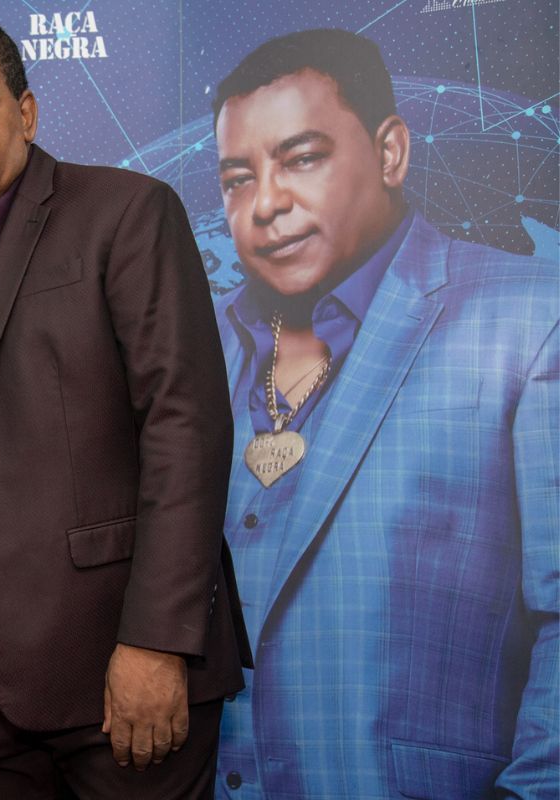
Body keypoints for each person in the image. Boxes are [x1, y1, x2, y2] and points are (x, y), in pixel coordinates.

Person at [0, 15, 251, 799]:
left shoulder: (125, 213)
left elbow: (185, 428)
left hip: (116, 672)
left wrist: (156, 644)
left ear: (25, 113)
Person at [211, 29, 558, 798]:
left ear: (391, 153)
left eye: (302, 158)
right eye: (238, 179)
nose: (265, 204)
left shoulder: (532, 317)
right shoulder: (195, 339)